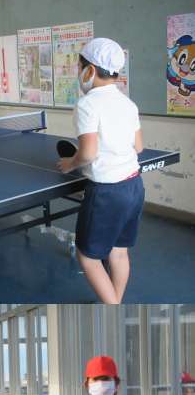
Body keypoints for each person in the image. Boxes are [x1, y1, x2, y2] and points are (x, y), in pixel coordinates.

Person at [57, 38, 145, 305]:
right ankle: (115, 302)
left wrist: (70, 164)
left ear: (90, 70)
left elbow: (88, 153)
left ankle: (112, 305)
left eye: (79, 66)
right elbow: (139, 147)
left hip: (107, 192)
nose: (78, 72)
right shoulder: (128, 104)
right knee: (118, 252)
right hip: (134, 186)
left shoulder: (87, 104)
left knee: (88, 257)